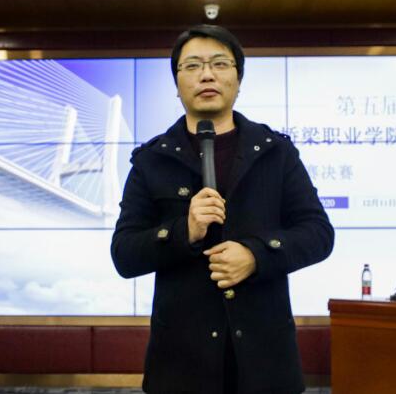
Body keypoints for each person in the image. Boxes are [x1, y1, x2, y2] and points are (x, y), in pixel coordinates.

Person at [111, 24, 334, 394]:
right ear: (177, 83)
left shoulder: (276, 151)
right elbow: (124, 254)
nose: (207, 75)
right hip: (181, 363)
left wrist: (256, 256)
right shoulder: (152, 160)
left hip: (266, 359)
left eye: (219, 63)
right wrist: (184, 231)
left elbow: (318, 234)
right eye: (192, 66)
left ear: (238, 79)